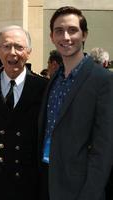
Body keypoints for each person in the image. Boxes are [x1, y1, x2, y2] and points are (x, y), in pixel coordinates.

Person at [38, 6, 113, 200]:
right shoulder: (54, 80)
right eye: (59, 31)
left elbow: (104, 148)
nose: (66, 37)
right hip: (47, 180)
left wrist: (90, 194)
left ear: (84, 35)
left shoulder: (103, 80)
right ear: (51, 37)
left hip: (79, 188)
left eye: (72, 30)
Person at [0, 25, 48, 200]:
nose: (13, 52)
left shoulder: (43, 87)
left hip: (28, 183)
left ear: (29, 52)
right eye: (6, 46)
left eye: (19, 47)